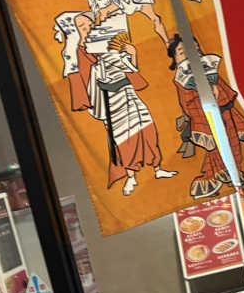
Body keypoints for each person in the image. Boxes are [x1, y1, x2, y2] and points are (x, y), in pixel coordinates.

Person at [53, 12, 177, 196]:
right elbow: (85, 82)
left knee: (147, 128)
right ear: (75, 32)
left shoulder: (107, 44)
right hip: (108, 100)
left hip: (127, 92)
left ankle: (157, 168)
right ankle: (131, 176)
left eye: (89, 24)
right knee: (123, 139)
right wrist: (100, 68)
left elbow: (130, 69)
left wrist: (132, 55)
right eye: (82, 26)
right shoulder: (79, 54)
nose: (87, 28)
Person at [168, 34, 244, 199]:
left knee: (234, 146)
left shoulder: (209, 71)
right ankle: (227, 179)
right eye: (181, 52)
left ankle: (234, 178)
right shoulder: (182, 80)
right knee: (218, 150)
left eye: (194, 49)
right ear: (175, 59)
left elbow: (226, 94)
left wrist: (215, 88)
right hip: (204, 118)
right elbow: (188, 104)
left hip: (225, 113)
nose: (189, 54)